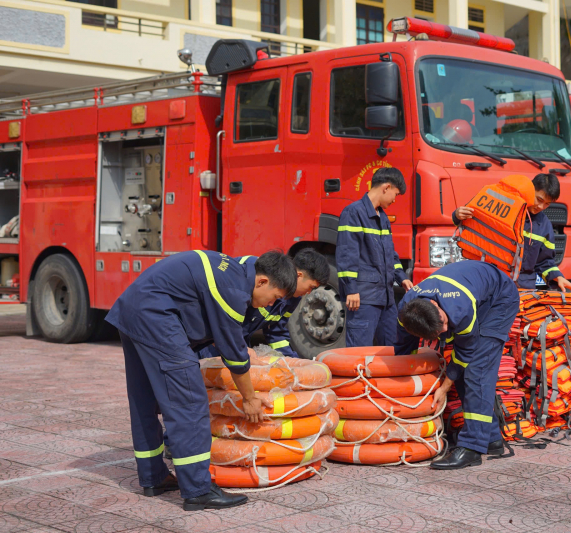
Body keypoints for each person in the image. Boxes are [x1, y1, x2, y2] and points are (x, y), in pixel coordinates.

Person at [106, 250, 297, 510]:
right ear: (262, 281)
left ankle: (153, 477)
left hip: (134, 310)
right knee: (190, 402)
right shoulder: (233, 289)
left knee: (145, 400)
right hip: (156, 317)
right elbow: (234, 354)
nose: (268, 305)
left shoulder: (238, 270)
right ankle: (198, 490)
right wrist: (250, 398)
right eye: (274, 297)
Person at [394, 261, 519, 469]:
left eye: (444, 323)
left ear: (435, 305)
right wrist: (402, 384)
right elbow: (403, 347)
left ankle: (471, 449)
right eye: (439, 331)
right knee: (466, 373)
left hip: (499, 300)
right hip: (475, 289)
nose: (445, 329)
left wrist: (443, 387)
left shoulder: (458, 309)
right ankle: (490, 438)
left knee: (477, 371)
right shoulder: (405, 313)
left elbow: (465, 354)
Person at [453, 173, 571, 292]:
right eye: (539, 199)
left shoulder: (544, 225)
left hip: (523, 288)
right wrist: (458, 215)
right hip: (489, 280)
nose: (541, 206)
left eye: (547, 204)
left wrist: (558, 277)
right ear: (530, 191)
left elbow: (545, 262)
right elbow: (476, 226)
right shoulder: (504, 208)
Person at [200, 248, 330, 358]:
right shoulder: (257, 271)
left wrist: (291, 361)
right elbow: (222, 318)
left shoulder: (293, 298)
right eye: (311, 287)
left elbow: (276, 332)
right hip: (213, 339)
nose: (308, 293)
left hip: (237, 342)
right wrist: (238, 348)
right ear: (299, 275)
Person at [336, 167, 413, 347]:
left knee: (391, 349)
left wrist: (402, 278)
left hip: (386, 298)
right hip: (363, 298)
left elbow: (390, 254)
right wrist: (351, 289)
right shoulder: (353, 213)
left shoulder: (383, 217)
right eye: (395, 194)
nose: (395, 199)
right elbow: (347, 253)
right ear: (386, 187)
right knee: (359, 352)